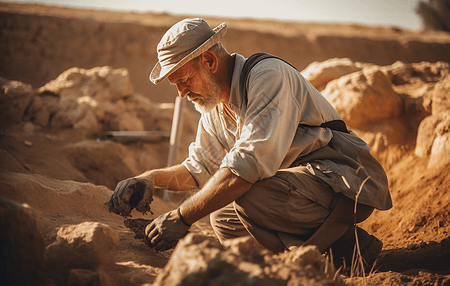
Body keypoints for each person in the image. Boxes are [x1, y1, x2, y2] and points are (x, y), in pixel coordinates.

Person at [106, 18, 392, 269]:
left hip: (345, 183)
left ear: (209, 61)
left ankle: (347, 250)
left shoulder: (267, 76)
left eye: (183, 80)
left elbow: (247, 167)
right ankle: (301, 264)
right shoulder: (214, 108)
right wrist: (150, 180)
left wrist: (181, 217)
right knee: (221, 217)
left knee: (245, 193)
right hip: (299, 192)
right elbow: (199, 170)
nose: (181, 94)